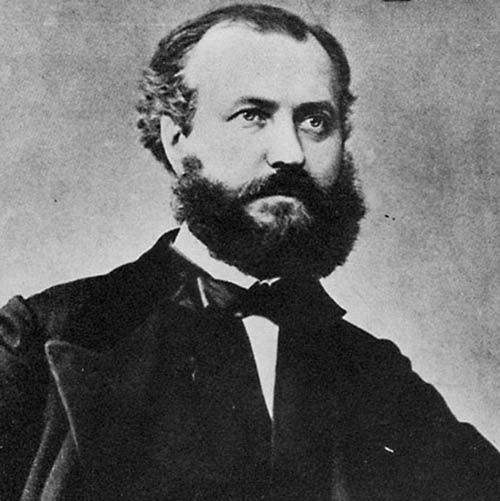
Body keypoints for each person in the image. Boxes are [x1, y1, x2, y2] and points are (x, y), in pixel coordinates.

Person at [1, 4, 499, 500]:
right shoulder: (42, 338)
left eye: (315, 121)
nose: (291, 153)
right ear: (177, 139)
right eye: (252, 116)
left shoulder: (376, 375)